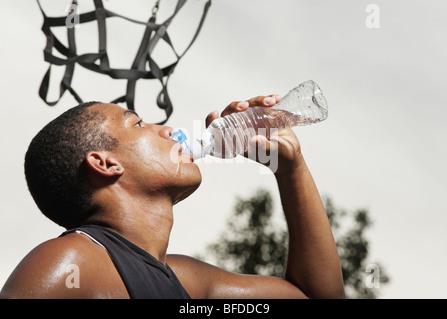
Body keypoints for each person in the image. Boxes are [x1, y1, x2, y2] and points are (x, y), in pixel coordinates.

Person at [0, 95, 345, 299]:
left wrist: (290, 168)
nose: (167, 129)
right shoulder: (72, 261)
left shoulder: (185, 281)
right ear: (105, 163)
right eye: (137, 124)